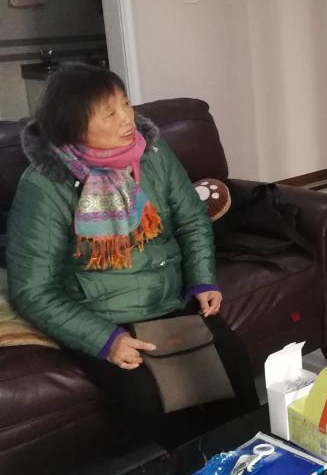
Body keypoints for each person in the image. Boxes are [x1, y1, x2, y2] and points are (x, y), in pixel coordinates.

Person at [7, 65, 258, 448]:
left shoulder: (153, 152)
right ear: (73, 126)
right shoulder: (45, 185)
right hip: (103, 316)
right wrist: (105, 340)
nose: (127, 119)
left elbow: (192, 218)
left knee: (235, 377)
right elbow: (33, 289)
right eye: (109, 113)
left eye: (125, 103)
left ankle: (257, 472)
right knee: (158, 403)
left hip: (171, 298)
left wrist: (202, 279)